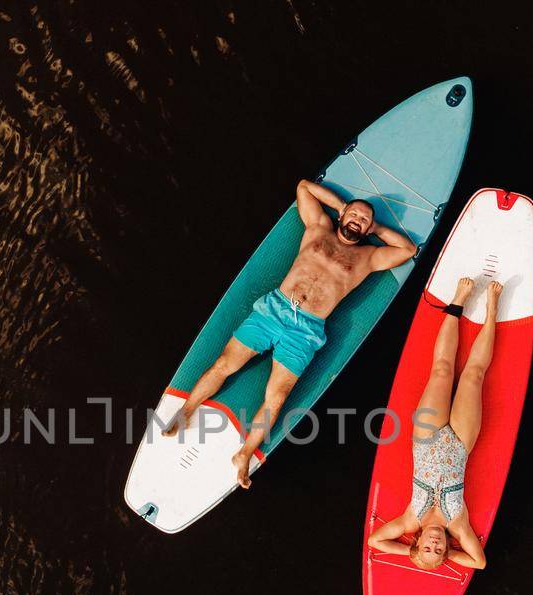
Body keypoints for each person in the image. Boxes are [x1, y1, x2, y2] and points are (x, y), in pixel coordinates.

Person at [163, 178, 418, 488]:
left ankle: (244, 454)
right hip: (274, 310)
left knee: (278, 395)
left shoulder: (366, 258)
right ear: (342, 216)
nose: (357, 220)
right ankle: (187, 410)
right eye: (354, 214)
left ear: (369, 229)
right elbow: (304, 188)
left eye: (364, 220)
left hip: (307, 330)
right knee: (224, 364)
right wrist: (342, 206)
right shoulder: (318, 229)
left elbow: (407, 248)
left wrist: (376, 227)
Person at [366, 277, 500, 571]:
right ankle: (492, 311)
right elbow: (479, 562)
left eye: (426, 547)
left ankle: (458, 300)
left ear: (417, 541)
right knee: (473, 376)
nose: (435, 545)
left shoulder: (410, 519)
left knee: (441, 371)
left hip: (426, 437)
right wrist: (448, 556)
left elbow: (374, 542)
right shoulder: (457, 524)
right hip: (461, 443)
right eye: (438, 550)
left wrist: (411, 556)